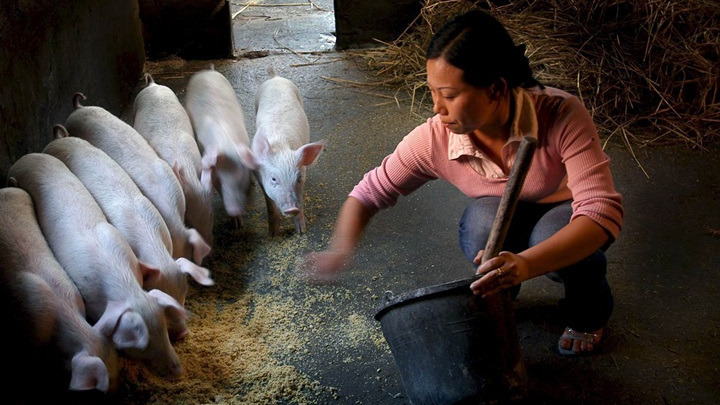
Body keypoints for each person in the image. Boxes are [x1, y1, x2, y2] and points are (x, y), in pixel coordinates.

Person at [301, 9, 623, 356]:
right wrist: (339, 249)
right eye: (433, 92)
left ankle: (588, 314)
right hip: (501, 210)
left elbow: (601, 212)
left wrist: (527, 264)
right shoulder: (434, 139)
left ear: (496, 88)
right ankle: (502, 289)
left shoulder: (559, 113)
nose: (437, 107)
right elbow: (368, 193)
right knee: (481, 225)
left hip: (563, 208)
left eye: (450, 95)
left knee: (557, 244)